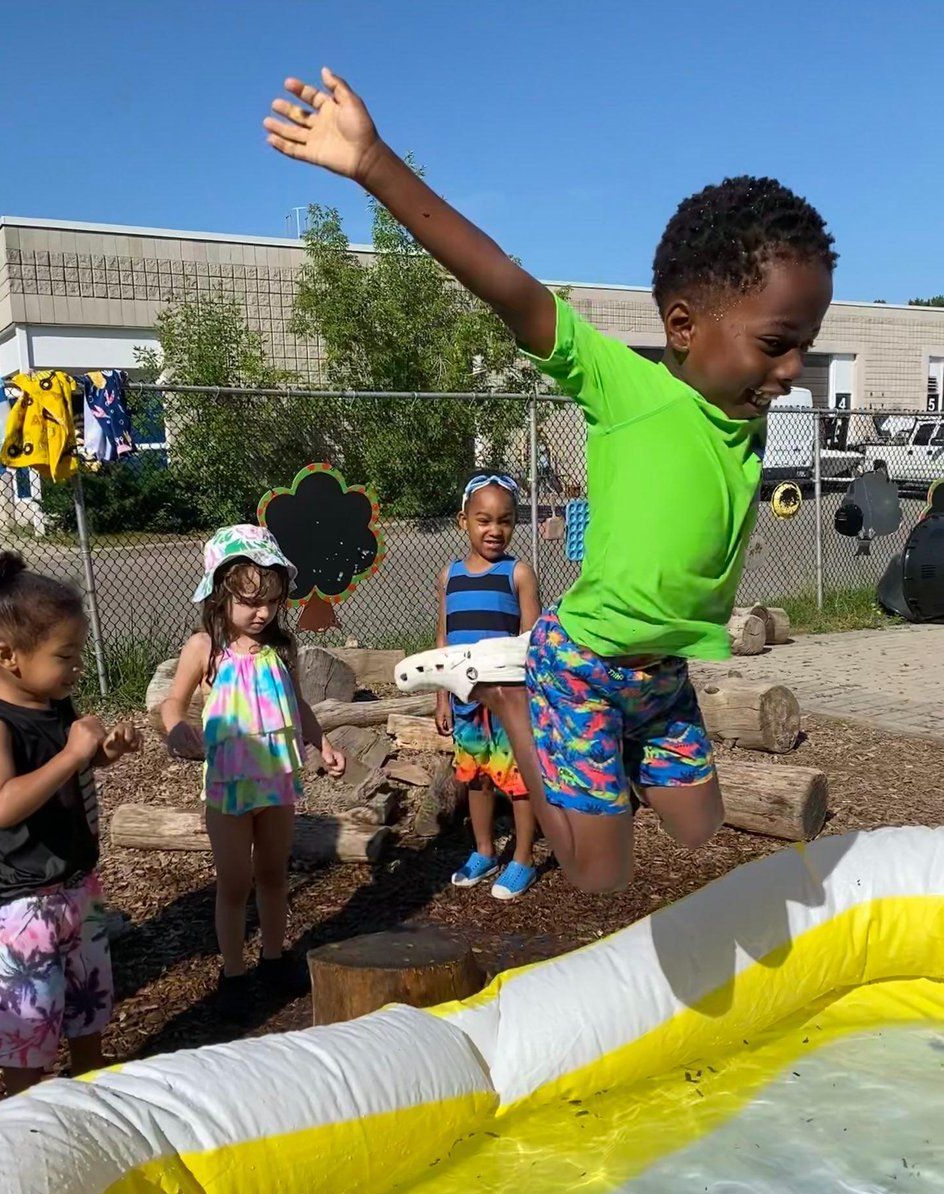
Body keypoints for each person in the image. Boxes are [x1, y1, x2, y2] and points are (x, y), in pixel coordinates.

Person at [264, 71, 835, 896]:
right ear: (682, 326)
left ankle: (585, 754)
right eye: (778, 343)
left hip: (661, 673)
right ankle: (509, 701)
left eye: (805, 347)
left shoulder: (742, 409)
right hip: (580, 666)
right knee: (597, 874)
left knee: (699, 824)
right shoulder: (628, 389)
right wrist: (374, 162)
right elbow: (507, 284)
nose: (791, 371)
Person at [0, 553, 140, 1097]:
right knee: (29, 1027)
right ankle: (27, 1117)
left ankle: (88, 1091)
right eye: (65, 656)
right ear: (8, 657)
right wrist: (70, 756)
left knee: (87, 1005)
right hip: (23, 906)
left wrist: (103, 751)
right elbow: (0, 804)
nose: (77, 668)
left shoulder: (54, 704)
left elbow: (72, 766)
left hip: (75, 887)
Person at [162, 525, 345, 1018]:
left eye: (270, 600)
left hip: (277, 781)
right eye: (249, 601)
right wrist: (177, 727)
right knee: (234, 881)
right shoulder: (205, 648)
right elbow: (171, 704)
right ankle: (233, 971)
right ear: (220, 596)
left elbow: (298, 704)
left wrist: (321, 740)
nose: (262, 612)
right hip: (227, 786)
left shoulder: (280, 649)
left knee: (272, 874)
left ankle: (273, 957)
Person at [436, 472, 541, 899]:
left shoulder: (517, 574)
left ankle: (523, 858)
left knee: (516, 779)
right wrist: (441, 696)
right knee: (475, 777)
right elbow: (443, 640)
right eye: (484, 520)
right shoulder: (449, 576)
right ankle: (483, 851)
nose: (494, 530)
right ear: (464, 521)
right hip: (465, 701)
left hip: (508, 702)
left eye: (505, 521)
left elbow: (531, 641)